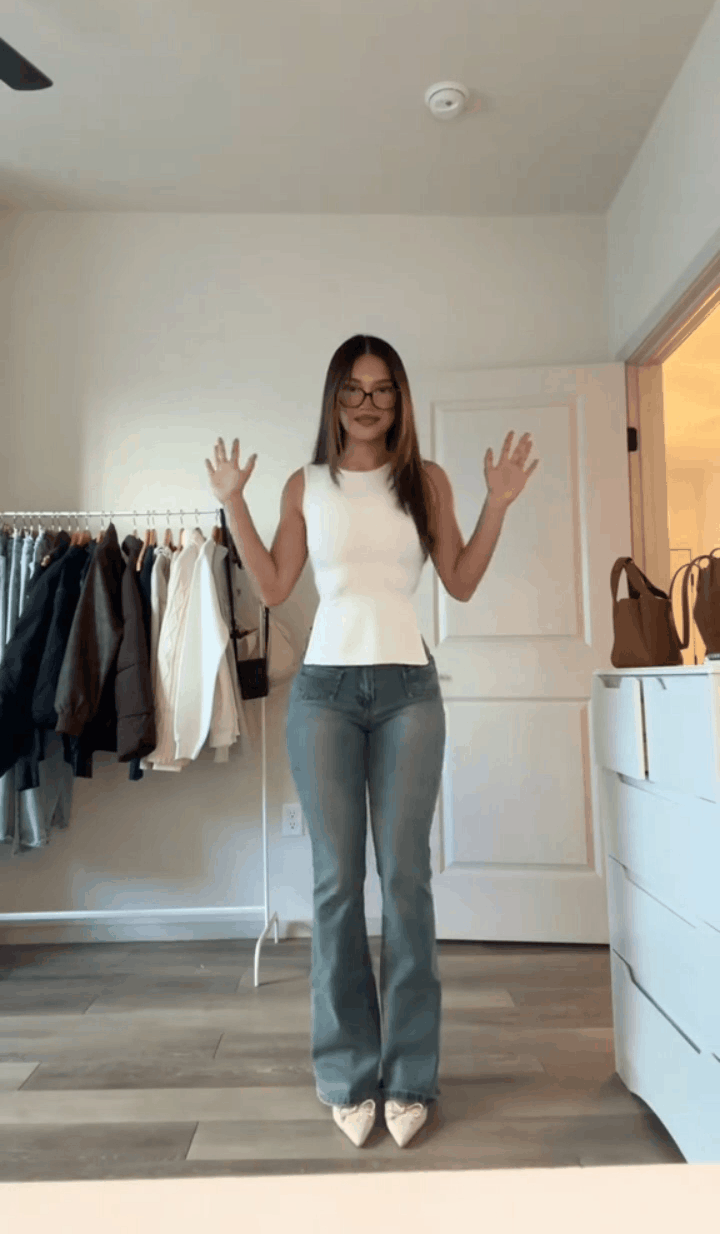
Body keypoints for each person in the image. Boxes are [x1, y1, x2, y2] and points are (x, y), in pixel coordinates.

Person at [205, 334, 538, 1149]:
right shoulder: (305, 484)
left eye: (382, 389)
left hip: (407, 696)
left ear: (400, 399)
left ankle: (411, 1076)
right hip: (323, 696)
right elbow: (274, 586)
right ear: (334, 398)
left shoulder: (426, 481)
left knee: (407, 883)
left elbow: (460, 580)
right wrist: (234, 504)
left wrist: (498, 503)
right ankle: (348, 1075)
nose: (366, 403)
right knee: (335, 887)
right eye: (353, 389)